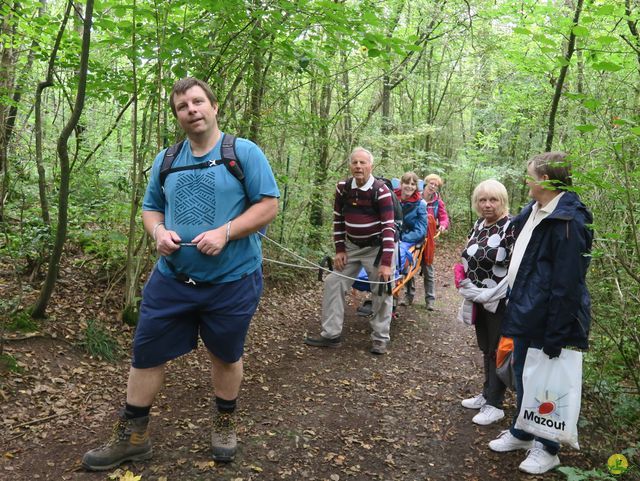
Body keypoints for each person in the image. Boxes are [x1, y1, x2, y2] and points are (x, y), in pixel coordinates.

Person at [82, 78, 280, 471]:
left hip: (233, 280)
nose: (191, 110)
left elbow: (268, 206)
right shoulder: (167, 159)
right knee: (146, 352)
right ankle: (133, 436)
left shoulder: (243, 153)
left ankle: (224, 421)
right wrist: (158, 232)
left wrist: (226, 232)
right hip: (171, 279)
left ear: (214, 106)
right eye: (182, 106)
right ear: (177, 116)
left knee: (225, 355)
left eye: (197, 101)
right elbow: (150, 208)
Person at [488, 152, 593, 475]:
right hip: (525, 308)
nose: (525, 179)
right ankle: (522, 431)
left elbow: (568, 281)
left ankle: (548, 448)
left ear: (544, 180)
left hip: (548, 316)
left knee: (546, 382)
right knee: (523, 374)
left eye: (529, 174)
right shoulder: (534, 211)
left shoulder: (569, 221)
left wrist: (558, 332)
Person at [304, 147, 395, 355]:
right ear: (350, 165)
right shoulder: (343, 188)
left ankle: (380, 338)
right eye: (355, 162)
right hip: (352, 246)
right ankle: (331, 334)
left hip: (377, 249)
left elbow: (389, 227)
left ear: (371, 166)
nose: (358, 166)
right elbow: (338, 219)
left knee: (381, 289)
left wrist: (387, 263)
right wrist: (340, 249)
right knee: (333, 282)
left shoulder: (380, 191)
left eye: (363, 163)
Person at [458, 180, 515, 426]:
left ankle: (495, 404)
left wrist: (493, 292)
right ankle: (487, 394)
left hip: (499, 299)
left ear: (503, 201)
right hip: (478, 297)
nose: (487, 205)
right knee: (486, 347)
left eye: (493, 200)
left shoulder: (510, 227)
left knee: (497, 349)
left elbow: (515, 265)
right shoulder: (479, 225)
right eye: (482, 200)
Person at [395, 172, 427, 306]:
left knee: (397, 255)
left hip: (408, 239)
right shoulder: (392, 199)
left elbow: (421, 230)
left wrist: (402, 238)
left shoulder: (420, 204)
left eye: (413, 184)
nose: (409, 186)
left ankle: (393, 290)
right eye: (407, 183)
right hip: (391, 236)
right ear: (401, 184)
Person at [422, 173, 449, 310]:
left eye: (436, 185)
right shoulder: (416, 197)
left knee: (428, 269)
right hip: (414, 238)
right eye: (431, 183)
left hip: (428, 240)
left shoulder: (438, 202)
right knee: (408, 267)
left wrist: (443, 225)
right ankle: (409, 296)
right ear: (426, 183)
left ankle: (430, 300)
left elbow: (444, 217)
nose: (433, 186)